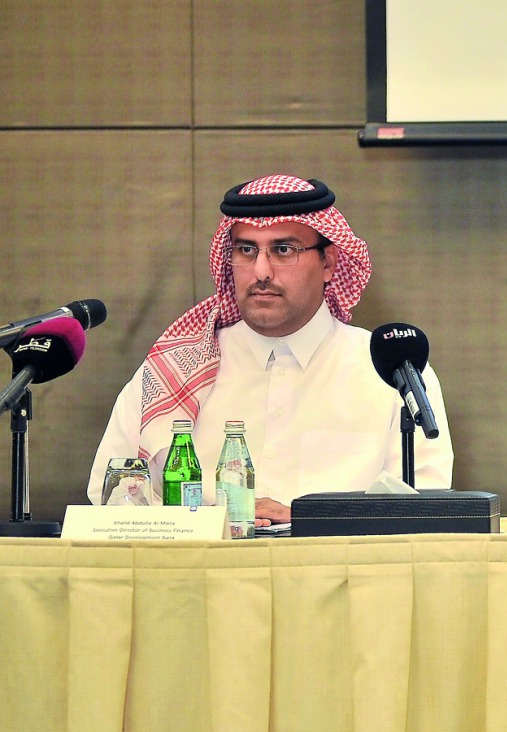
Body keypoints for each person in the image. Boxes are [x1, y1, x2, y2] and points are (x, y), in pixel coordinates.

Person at [88, 175, 453, 524]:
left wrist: (309, 518)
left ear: (328, 263)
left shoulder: (389, 372)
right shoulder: (175, 369)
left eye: (283, 250)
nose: (261, 271)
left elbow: (426, 502)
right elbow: (110, 497)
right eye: (246, 250)